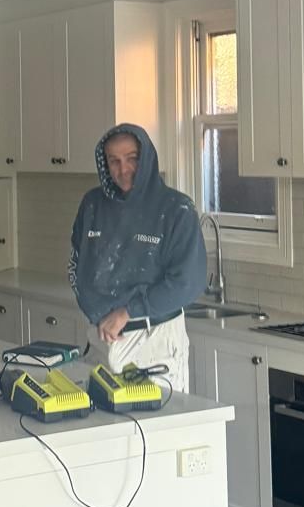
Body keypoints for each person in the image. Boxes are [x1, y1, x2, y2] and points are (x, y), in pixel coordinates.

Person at [69, 124, 206, 391]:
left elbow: (186, 283)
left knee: (155, 429)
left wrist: (128, 311)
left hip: (154, 341)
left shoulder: (176, 209)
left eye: (132, 158)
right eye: (114, 161)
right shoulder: (92, 205)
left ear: (146, 159)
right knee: (100, 430)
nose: (123, 169)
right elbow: (76, 263)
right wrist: (95, 310)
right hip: (100, 339)